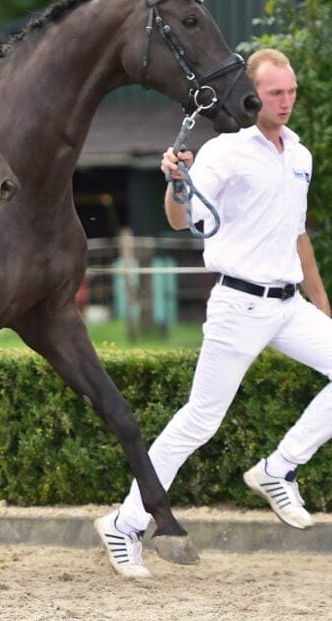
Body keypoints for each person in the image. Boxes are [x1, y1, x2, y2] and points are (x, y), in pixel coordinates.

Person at [96, 48, 331, 577]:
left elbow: (297, 236)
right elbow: (182, 221)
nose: (286, 101)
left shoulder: (300, 155)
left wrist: (322, 305)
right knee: (199, 420)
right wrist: (176, 181)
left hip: (289, 305)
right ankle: (126, 523)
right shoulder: (225, 152)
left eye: (291, 91)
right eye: (276, 93)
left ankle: (279, 468)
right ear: (253, 97)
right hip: (238, 305)